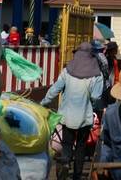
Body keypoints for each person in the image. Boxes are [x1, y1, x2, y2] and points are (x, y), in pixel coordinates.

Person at [41, 42, 104, 180]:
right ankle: (77, 175)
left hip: (67, 116)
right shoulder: (97, 75)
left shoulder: (67, 71)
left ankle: (65, 162)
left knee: (67, 144)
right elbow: (96, 97)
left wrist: (43, 102)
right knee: (81, 147)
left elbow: (55, 89)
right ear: (92, 55)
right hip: (85, 117)